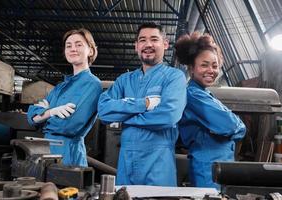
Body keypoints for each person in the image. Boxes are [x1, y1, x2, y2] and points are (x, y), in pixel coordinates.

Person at [98, 22, 187, 186]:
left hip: (158, 162)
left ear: (165, 44)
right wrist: (144, 104)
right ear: (136, 46)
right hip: (126, 161)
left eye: (154, 39)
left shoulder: (174, 77)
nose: (148, 45)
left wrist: (125, 117)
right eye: (142, 40)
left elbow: (168, 116)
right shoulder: (124, 80)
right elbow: (103, 111)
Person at [175, 32, 246, 189]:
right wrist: (237, 126)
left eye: (215, 66)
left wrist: (236, 127)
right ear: (191, 68)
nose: (211, 70)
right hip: (208, 167)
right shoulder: (193, 95)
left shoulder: (206, 94)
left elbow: (235, 128)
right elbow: (231, 125)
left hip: (220, 165)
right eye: (204, 65)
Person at [27, 28, 102, 167]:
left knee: (65, 188)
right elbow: (31, 117)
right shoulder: (60, 86)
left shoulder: (92, 84)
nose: (73, 49)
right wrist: (50, 112)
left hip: (68, 153)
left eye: (79, 44)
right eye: (69, 45)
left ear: (90, 51)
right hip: (46, 150)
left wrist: (44, 115)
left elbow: (68, 125)